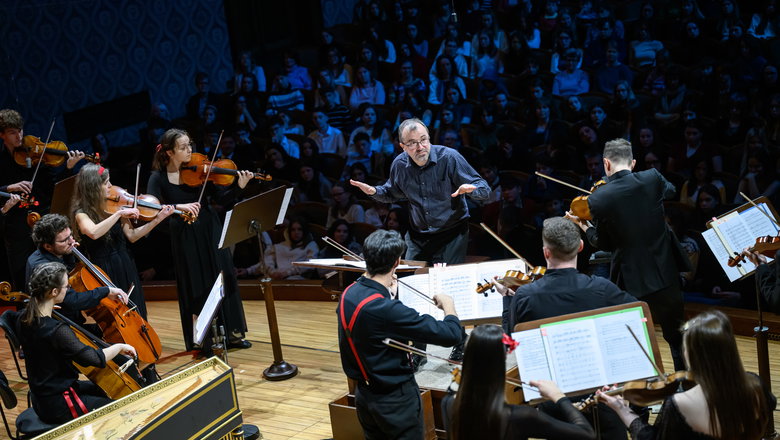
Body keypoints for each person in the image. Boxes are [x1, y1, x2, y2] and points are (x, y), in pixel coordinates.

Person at [567, 138, 690, 371]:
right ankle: (685, 385)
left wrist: (583, 226)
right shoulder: (652, 177)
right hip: (665, 273)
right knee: (676, 336)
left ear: (606, 163)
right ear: (633, 163)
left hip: (632, 282)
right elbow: (671, 191)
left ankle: (642, 397)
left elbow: (601, 243)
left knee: (634, 339)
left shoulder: (599, 198)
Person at [337, 229, 463, 439]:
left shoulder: (349, 293)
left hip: (364, 395)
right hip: (395, 400)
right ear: (396, 262)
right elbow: (451, 335)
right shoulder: (386, 310)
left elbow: (374, 328)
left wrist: (389, 296)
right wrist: (449, 307)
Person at [147, 128, 250, 353]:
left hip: (209, 227)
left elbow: (221, 199)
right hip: (183, 233)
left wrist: (238, 189)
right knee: (196, 282)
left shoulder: (201, 170)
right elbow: (151, 206)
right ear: (169, 153)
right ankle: (204, 339)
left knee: (222, 275)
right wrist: (177, 208)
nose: (189, 151)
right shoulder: (158, 177)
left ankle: (232, 333)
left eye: (189, 146)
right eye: (183, 148)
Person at [599, 310, 774, 439]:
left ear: (691, 354)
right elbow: (770, 403)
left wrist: (622, 409)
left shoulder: (680, 404)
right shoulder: (755, 384)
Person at [350, 118, 490, 264]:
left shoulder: (449, 157)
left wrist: (472, 190)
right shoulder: (399, 165)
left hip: (452, 233)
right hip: (418, 235)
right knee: (411, 278)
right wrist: (373, 191)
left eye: (423, 140)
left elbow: (484, 188)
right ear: (403, 146)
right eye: (412, 143)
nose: (420, 147)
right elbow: (391, 193)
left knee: (446, 280)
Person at [17, 262, 137, 425]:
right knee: (119, 410)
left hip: (42, 397)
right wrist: (119, 347)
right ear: (54, 292)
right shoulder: (57, 330)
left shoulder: (23, 318)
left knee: (103, 389)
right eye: (66, 287)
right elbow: (94, 359)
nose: (68, 290)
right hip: (59, 404)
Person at [442, 324, 596, 440]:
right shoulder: (520, 417)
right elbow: (586, 434)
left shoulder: (448, 403)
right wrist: (559, 397)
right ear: (501, 361)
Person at [71, 163, 174, 319]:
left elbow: (132, 236)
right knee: (117, 317)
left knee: (138, 312)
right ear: (93, 187)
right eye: (106, 183)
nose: (111, 186)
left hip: (125, 263)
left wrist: (157, 220)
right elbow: (93, 232)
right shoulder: (82, 214)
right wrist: (119, 214)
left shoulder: (115, 207)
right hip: (104, 270)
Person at [0, 109, 87, 289]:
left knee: (52, 269)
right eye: (12, 132)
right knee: (22, 273)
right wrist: (8, 188)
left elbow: (53, 188)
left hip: (43, 221)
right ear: (2, 135)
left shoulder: (36, 155)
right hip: (17, 227)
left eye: (20, 130)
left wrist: (68, 168)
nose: (19, 136)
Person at [26, 214, 129, 330]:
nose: (71, 241)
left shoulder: (55, 253)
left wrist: (70, 254)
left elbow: (69, 272)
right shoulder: (44, 267)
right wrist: (105, 291)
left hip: (71, 321)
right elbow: (72, 300)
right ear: (48, 246)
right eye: (65, 240)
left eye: (70, 235)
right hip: (59, 327)